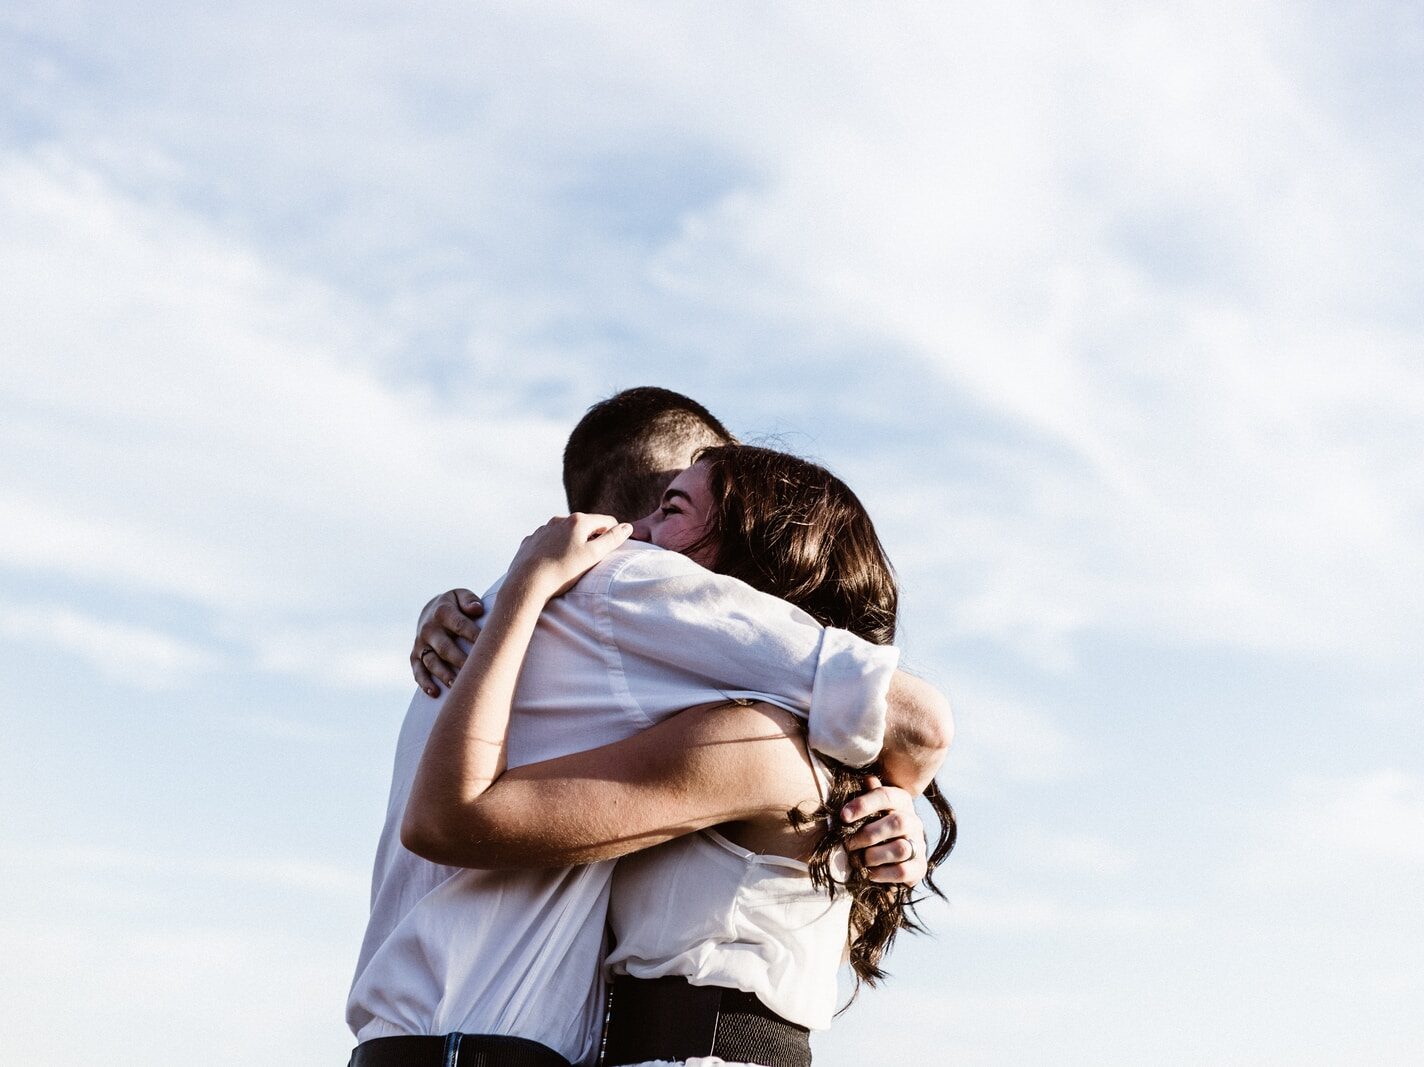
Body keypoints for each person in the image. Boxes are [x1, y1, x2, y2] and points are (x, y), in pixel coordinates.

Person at [347, 388, 951, 1067]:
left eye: (676, 512)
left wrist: (895, 795)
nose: (636, 542)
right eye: (667, 503)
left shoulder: (757, 741)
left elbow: (918, 724)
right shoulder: (622, 628)